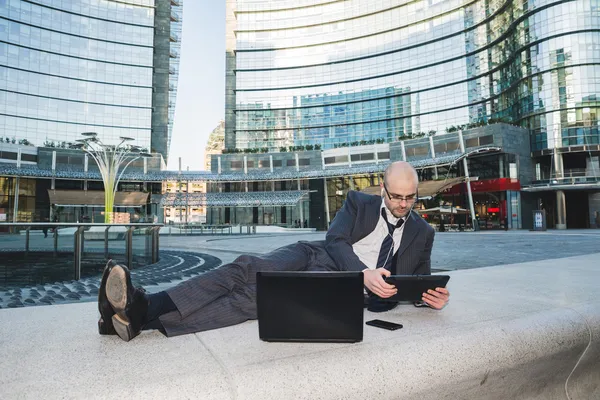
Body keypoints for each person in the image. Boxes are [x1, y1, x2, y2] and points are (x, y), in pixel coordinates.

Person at [98, 161, 450, 342]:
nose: (403, 204)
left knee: (256, 298)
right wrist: (364, 272)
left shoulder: (423, 232)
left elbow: (418, 281)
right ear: (383, 189)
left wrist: (427, 298)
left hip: (339, 287)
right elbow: (336, 240)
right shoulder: (359, 202)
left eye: (410, 197)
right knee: (246, 268)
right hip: (316, 255)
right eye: (396, 196)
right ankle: (145, 308)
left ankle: (139, 316)